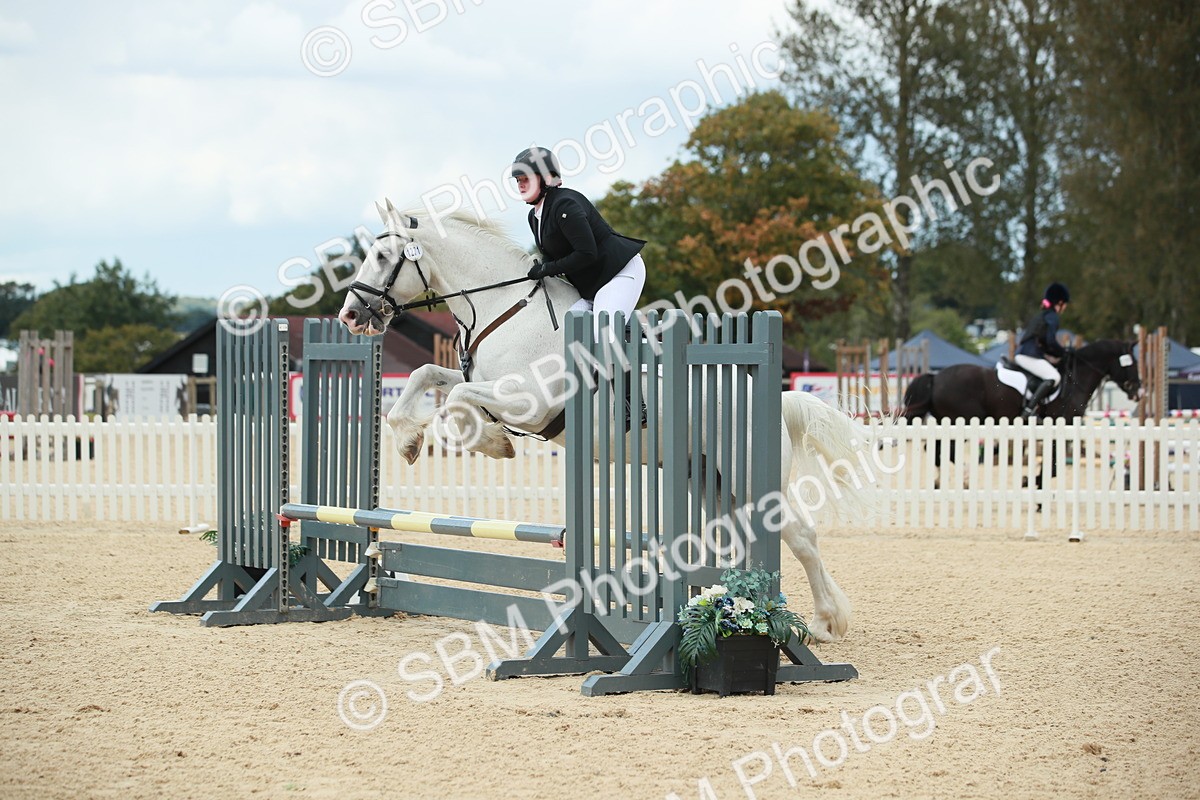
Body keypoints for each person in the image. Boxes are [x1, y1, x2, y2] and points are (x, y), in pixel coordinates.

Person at [511, 146, 647, 336]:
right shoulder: (534, 217)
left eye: (526, 179)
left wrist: (546, 269)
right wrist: (540, 268)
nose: (521, 185)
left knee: (602, 335)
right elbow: (551, 257)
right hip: (592, 287)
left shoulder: (565, 204)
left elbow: (586, 253)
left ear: (547, 179)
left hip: (619, 273)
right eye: (518, 180)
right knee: (566, 331)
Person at [1015, 282, 1070, 418]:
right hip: (1030, 355)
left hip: (1025, 354)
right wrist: (1064, 352)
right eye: (1065, 305)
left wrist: (1058, 353)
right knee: (1054, 377)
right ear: (1060, 303)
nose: (1065, 308)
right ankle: (1029, 411)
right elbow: (1050, 341)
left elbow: (1045, 343)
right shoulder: (1052, 317)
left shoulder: (1044, 315)